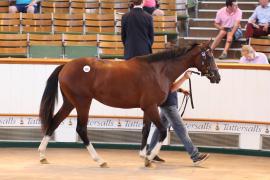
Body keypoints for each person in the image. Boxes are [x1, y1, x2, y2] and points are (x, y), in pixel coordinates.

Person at [148, 71, 210, 165]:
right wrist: (184, 78)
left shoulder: (163, 71)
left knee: (160, 130)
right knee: (181, 130)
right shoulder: (163, 72)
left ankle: (150, 154)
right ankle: (195, 156)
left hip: (167, 105)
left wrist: (181, 90)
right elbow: (171, 88)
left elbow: (170, 86)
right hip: (169, 106)